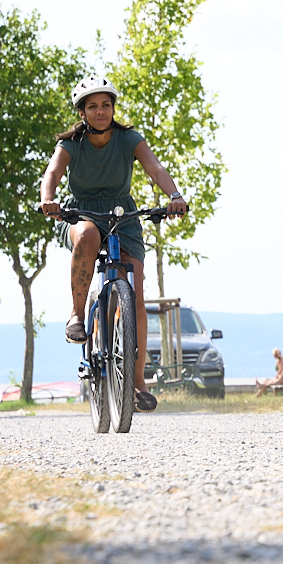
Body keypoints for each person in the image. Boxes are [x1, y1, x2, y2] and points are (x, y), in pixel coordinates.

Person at [39, 75, 188, 412]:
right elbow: (52, 174)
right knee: (88, 236)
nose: (101, 111)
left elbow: (156, 169)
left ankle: (137, 384)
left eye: (106, 105)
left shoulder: (129, 139)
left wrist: (175, 196)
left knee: (135, 298)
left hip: (123, 215)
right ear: (82, 113)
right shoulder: (70, 144)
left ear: (113, 109)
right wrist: (48, 200)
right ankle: (77, 315)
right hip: (82, 213)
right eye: (93, 106)